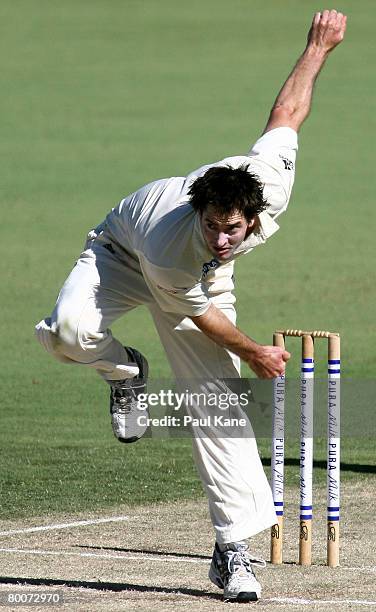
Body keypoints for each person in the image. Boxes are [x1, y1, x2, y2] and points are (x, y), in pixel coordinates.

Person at [35, 10, 346, 603]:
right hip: (123, 257)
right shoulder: (173, 239)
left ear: (251, 215)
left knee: (216, 403)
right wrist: (254, 350)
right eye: (212, 227)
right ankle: (125, 372)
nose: (222, 236)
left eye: (231, 228)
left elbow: (286, 117)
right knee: (67, 333)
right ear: (198, 215)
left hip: (202, 281)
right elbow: (200, 313)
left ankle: (232, 551)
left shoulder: (267, 183)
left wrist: (318, 48)